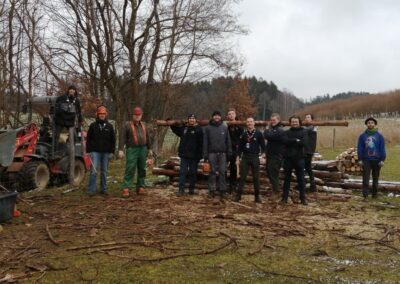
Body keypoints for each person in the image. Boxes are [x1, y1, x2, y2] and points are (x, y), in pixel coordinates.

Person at [119, 107, 153, 197]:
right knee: (130, 168)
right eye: (136, 115)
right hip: (132, 149)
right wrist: (121, 149)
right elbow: (122, 138)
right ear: (133, 115)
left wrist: (150, 149)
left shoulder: (144, 125)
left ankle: (140, 186)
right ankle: (126, 188)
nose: (137, 116)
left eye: (139, 115)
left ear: (141, 115)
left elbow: (148, 138)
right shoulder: (127, 125)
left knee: (142, 168)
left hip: (143, 149)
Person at [170, 114, 203, 196]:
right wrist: (171, 123)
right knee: (182, 173)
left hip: (194, 156)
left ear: (196, 120)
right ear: (188, 120)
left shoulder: (199, 129)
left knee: (193, 173)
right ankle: (181, 190)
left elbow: (201, 143)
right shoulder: (184, 128)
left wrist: (200, 155)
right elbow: (175, 130)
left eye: (193, 118)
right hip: (184, 155)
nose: (191, 120)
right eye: (190, 118)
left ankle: (191, 190)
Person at [234, 117, 265, 203]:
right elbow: (239, 147)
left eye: (251, 122)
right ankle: (238, 196)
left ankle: (257, 197)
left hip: (255, 157)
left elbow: (263, 146)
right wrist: (237, 157)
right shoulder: (243, 134)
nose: (250, 123)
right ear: (246, 124)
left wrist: (263, 156)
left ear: (254, 123)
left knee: (256, 178)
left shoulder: (259, 133)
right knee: (242, 177)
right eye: (248, 122)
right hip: (245, 157)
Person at [86, 106, 116, 195]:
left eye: (103, 114)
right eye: (100, 114)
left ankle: (103, 189)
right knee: (94, 171)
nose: (102, 116)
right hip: (95, 152)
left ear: (106, 115)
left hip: (106, 152)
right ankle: (91, 190)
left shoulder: (110, 126)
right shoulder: (93, 126)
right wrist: (88, 151)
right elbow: (88, 139)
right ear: (98, 115)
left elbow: (113, 140)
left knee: (104, 171)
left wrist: (112, 152)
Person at [203, 110, 232, 199]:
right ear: (212, 117)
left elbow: (228, 141)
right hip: (212, 153)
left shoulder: (224, 127)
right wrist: (205, 154)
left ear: (220, 117)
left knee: (222, 172)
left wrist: (229, 152)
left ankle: (222, 191)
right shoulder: (208, 128)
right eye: (215, 115)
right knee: (212, 172)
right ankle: (211, 191)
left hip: (223, 154)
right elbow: (205, 142)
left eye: (218, 116)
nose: (216, 117)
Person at [281, 115, 308, 205]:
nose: (294, 123)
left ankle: (303, 199)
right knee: (287, 179)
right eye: (293, 122)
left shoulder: (304, 131)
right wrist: (296, 140)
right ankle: (284, 198)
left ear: (299, 122)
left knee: (301, 179)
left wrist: (291, 141)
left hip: (299, 158)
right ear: (290, 123)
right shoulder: (286, 132)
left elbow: (303, 143)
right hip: (288, 159)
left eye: (296, 121)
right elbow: (284, 141)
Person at [357, 117, 386, 200]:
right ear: (366, 124)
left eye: (372, 122)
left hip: (377, 160)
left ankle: (374, 195)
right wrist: (360, 159)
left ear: (375, 124)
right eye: (369, 122)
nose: (370, 124)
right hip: (366, 160)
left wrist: (382, 160)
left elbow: (382, 148)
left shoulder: (379, 136)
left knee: (375, 178)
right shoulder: (362, 136)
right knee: (365, 178)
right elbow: (360, 148)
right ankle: (365, 195)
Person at [54, 85, 84, 150]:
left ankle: (69, 149)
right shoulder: (61, 98)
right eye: (70, 89)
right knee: (56, 136)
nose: (72, 90)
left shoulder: (77, 100)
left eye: (73, 89)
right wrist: (54, 115)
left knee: (74, 137)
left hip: (70, 121)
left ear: (75, 91)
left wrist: (80, 121)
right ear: (68, 90)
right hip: (60, 120)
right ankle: (55, 151)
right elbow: (55, 107)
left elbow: (79, 112)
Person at [263, 113, 285, 194]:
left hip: (276, 156)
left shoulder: (279, 129)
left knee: (273, 173)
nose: (272, 122)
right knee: (269, 172)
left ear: (278, 120)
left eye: (274, 120)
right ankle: (276, 189)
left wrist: (266, 129)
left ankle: (277, 191)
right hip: (271, 155)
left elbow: (268, 136)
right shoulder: (274, 128)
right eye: (271, 120)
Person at [226, 108, 244, 194]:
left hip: (235, 150)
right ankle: (223, 185)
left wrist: (240, 151)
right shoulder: (225, 125)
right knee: (223, 168)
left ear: (235, 115)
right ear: (227, 116)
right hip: (226, 149)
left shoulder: (240, 126)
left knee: (234, 168)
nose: (231, 115)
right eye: (229, 114)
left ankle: (233, 186)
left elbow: (242, 139)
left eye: (232, 114)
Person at [303, 114, 317, 191]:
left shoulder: (313, 127)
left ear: (312, 120)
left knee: (303, 167)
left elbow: (305, 130)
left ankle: (303, 184)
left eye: (308, 117)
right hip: (306, 150)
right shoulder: (307, 128)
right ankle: (312, 184)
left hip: (309, 151)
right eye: (306, 117)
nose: (306, 119)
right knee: (307, 167)